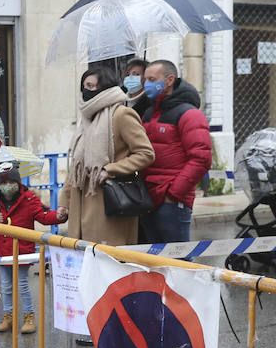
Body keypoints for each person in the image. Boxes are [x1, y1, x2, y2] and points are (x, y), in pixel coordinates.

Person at [61, 66, 156, 247]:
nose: (85, 91)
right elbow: (77, 166)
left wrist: (110, 170)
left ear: (104, 88)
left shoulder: (121, 115)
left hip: (110, 204)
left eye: (91, 86)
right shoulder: (86, 118)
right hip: (81, 206)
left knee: (110, 265)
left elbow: (146, 153)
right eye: (84, 86)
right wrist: (64, 201)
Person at [0, 161, 65, 335]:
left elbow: (44, 215)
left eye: (12, 182)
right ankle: (8, 316)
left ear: (18, 182)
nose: (8, 186)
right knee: (6, 286)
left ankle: (29, 317)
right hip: (2, 253)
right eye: (3, 183)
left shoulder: (29, 198)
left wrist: (60, 216)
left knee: (23, 285)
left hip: (22, 251)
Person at [138, 59, 212, 243]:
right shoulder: (148, 113)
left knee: (179, 260)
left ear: (169, 80)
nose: (147, 84)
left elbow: (201, 159)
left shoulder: (189, 114)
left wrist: (174, 194)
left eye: (152, 79)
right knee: (155, 261)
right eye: (145, 79)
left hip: (171, 199)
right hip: (148, 196)